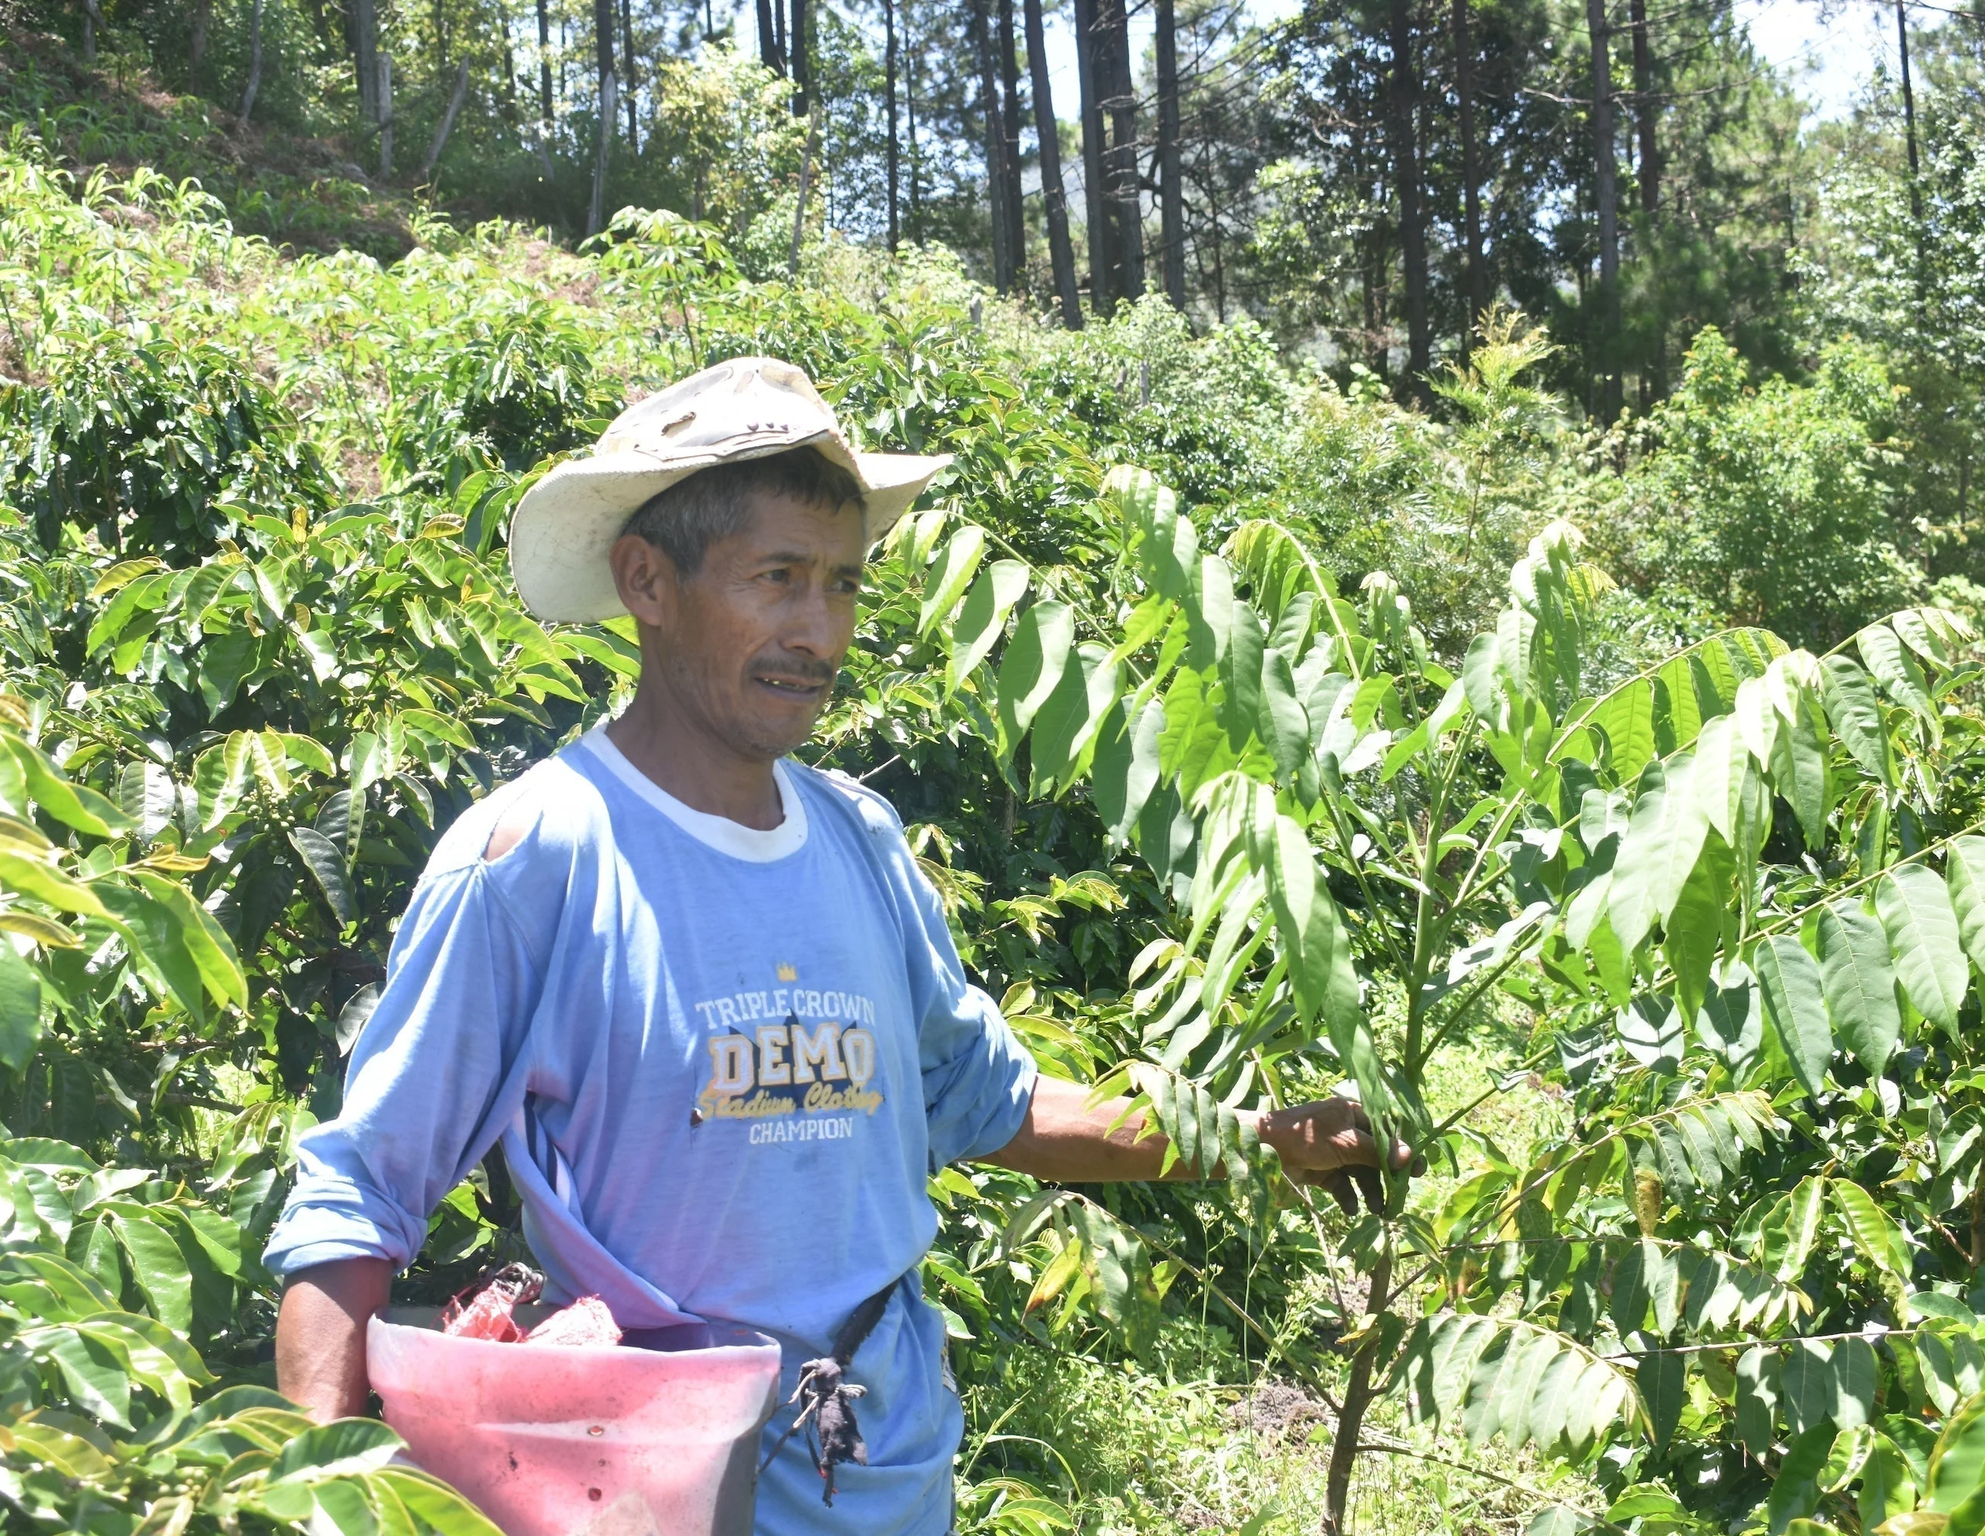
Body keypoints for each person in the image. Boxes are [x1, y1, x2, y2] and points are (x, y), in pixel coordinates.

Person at [266, 356, 1407, 1535]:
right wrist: (315, 1492)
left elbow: (989, 1106)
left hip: (883, 1459)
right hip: (648, 1481)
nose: (816, 631)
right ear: (646, 580)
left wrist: (1259, 1140)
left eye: (842, 585)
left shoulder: (857, 838)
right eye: (775, 578)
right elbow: (359, 1196)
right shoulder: (535, 859)